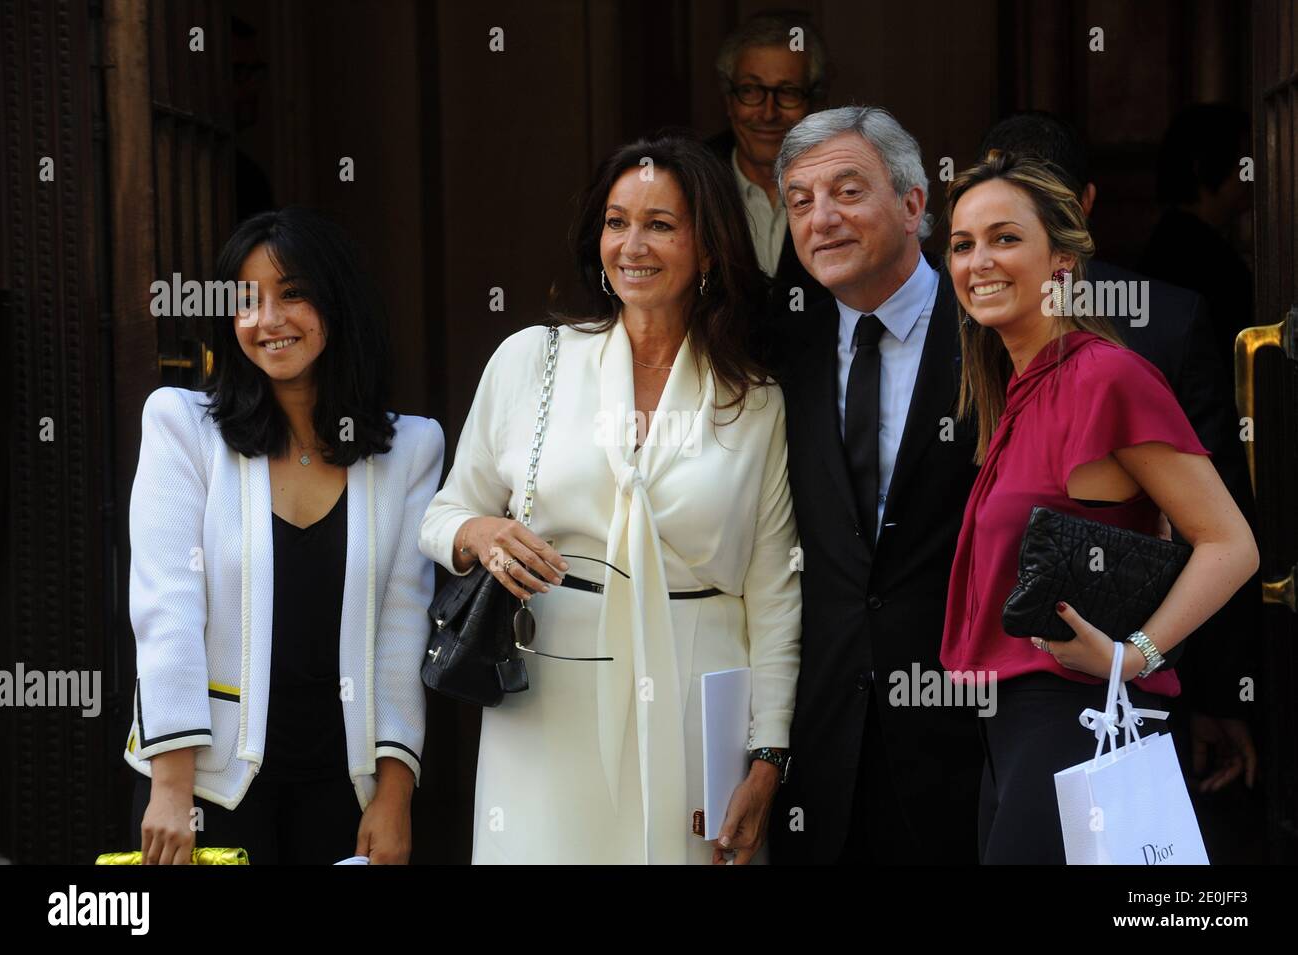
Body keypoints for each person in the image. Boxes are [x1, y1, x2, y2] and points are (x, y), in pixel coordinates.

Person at [419, 133, 800, 865]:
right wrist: (487, 532)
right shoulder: (532, 359)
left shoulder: (754, 401)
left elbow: (775, 591)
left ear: (710, 248)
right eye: (617, 221)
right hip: (550, 680)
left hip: (698, 691)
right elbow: (442, 517)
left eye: (661, 224)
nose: (633, 243)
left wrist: (768, 754)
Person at [939, 151, 1259, 864]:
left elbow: (1231, 542)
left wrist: (1132, 654)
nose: (978, 260)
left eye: (1004, 237)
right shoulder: (1013, 389)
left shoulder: (1106, 376)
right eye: (962, 244)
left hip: (1078, 720)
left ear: (1061, 260)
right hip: (1014, 730)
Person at [125, 207, 443, 864]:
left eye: (292, 293)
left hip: (345, 789)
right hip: (208, 785)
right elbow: (168, 609)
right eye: (246, 300)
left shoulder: (411, 447)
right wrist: (172, 787)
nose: (268, 319)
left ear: (337, 302)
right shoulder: (183, 427)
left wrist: (394, 795)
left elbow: (403, 627)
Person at [767, 106, 984, 864]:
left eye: (847, 191)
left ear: (915, 204)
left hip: (970, 741)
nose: (821, 219)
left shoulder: (991, 332)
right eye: (800, 201)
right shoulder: (776, 349)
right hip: (822, 747)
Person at [707, 9, 833, 353]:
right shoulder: (692, 182)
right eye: (750, 91)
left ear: (815, 101)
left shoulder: (845, 187)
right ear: (729, 101)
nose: (767, 112)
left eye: (788, 92)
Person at [1141, 103, 1254, 374]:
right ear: (1204, 166)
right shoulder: (1192, 252)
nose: (1250, 175)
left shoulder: (1181, 239)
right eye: (1243, 161)